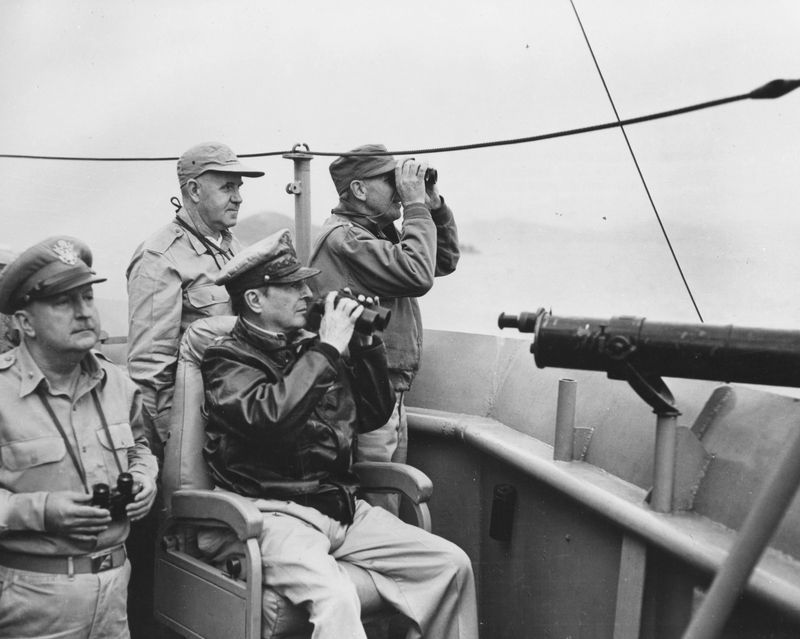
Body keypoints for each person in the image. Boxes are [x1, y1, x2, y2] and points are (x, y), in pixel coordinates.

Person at [197, 229, 478, 639]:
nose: (307, 294)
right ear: (255, 300)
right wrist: (327, 348)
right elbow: (270, 417)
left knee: (451, 564)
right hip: (273, 513)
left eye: (305, 284)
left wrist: (364, 346)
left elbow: (372, 414)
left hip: (338, 507)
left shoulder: (307, 347)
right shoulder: (226, 359)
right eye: (291, 287)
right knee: (337, 595)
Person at [0, 236, 158, 639]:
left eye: (87, 298)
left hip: (115, 593)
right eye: (63, 302)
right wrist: (44, 510)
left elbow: (140, 445)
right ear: (24, 322)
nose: (84, 312)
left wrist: (145, 479)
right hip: (32, 600)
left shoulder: (119, 384)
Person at [308, 144, 459, 513]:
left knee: (389, 493)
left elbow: (442, 260)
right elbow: (418, 275)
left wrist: (433, 205)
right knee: (377, 504)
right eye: (389, 181)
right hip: (363, 396)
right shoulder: (346, 239)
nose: (399, 188)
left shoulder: (374, 233)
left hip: (387, 389)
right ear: (359, 190)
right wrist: (415, 208)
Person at [126, 141, 265, 448]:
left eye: (239, 188)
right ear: (194, 191)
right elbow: (151, 375)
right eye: (228, 187)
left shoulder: (234, 248)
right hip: (195, 425)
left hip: (241, 414)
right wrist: (177, 450)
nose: (238, 198)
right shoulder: (159, 258)